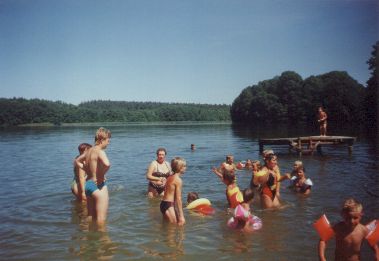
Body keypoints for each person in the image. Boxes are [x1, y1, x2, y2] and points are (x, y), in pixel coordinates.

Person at [75, 127, 111, 226]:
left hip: (88, 185)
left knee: (90, 216)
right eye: (108, 140)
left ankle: (87, 236)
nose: (109, 143)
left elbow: (77, 161)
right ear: (102, 140)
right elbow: (107, 164)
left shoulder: (89, 151)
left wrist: (86, 170)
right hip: (98, 186)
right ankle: (104, 241)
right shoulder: (100, 151)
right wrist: (101, 175)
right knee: (101, 220)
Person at [160, 157, 187, 225]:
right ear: (180, 168)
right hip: (169, 205)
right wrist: (181, 216)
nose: (185, 168)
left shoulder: (170, 177)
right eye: (184, 166)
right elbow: (178, 199)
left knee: (166, 226)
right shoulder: (178, 180)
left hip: (163, 203)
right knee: (172, 229)